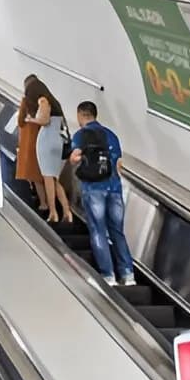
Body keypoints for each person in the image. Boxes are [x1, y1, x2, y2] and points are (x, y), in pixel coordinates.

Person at [70, 101, 136, 286]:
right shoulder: (111, 135)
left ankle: (109, 276)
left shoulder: (81, 135)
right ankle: (128, 275)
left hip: (93, 190)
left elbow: (74, 158)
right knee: (117, 232)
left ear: (80, 115)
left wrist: (80, 159)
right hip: (114, 189)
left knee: (98, 231)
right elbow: (119, 165)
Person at [22, 75, 72, 224]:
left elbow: (45, 120)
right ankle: (67, 212)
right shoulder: (54, 103)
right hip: (58, 139)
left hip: (48, 139)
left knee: (48, 178)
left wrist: (30, 119)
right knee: (54, 179)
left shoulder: (42, 100)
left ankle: (53, 213)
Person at [15, 95, 47, 211]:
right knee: (38, 176)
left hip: (28, 146)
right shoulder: (42, 107)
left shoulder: (26, 114)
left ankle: (43, 202)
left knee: (32, 175)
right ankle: (44, 200)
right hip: (40, 144)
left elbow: (20, 123)